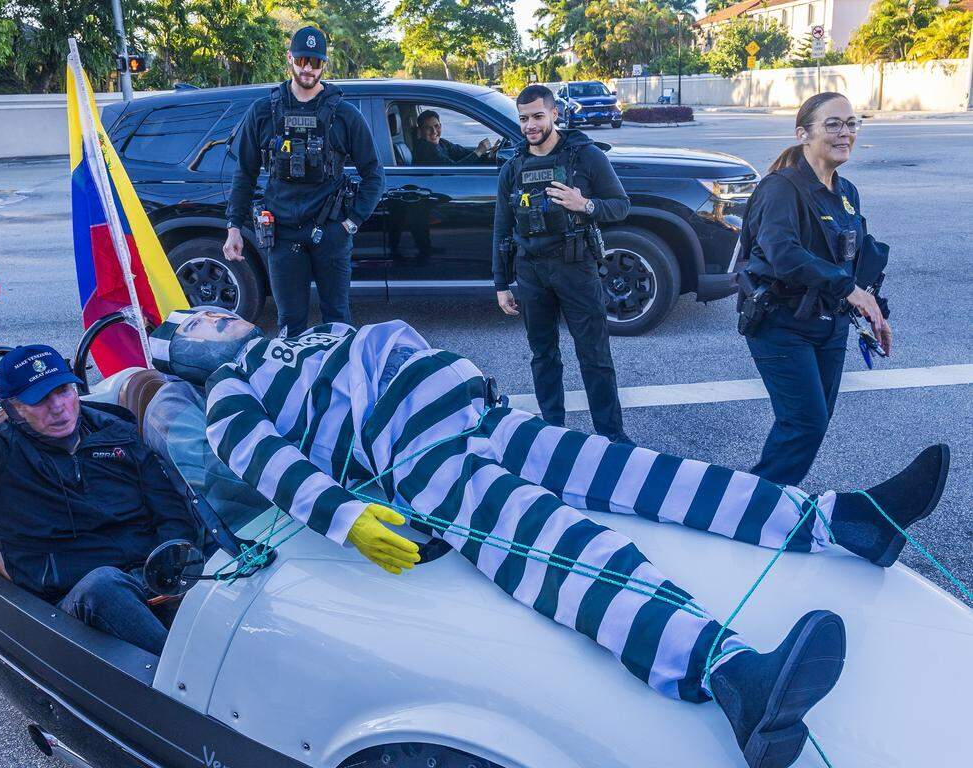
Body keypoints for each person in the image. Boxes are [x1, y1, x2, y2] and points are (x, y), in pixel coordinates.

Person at [146, 306, 949, 768]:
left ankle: (842, 522)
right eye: (199, 325)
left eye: (217, 309)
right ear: (187, 356)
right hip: (417, 460)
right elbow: (266, 460)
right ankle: (732, 675)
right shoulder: (233, 392)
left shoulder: (303, 331)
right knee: (563, 553)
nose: (219, 318)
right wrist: (343, 515)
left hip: (480, 413)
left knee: (650, 477)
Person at [0, 298, 198, 655]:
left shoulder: (118, 431)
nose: (59, 408)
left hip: (151, 573)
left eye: (64, 391)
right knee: (104, 585)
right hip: (74, 599)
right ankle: (181, 683)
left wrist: (177, 563)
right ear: (12, 408)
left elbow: (170, 509)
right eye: (40, 400)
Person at [738, 92, 893, 486]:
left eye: (851, 123)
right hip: (780, 323)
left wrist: (872, 307)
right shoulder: (780, 189)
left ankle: (769, 499)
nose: (845, 133)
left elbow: (850, 260)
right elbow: (783, 255)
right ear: (803, 133)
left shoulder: (847, 193)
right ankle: (755, 505)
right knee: (803, 424)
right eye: (833, 124)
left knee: (812, 424)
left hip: (830, 325)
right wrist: (848, 289)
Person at [223, 25, 385, 337]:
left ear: (325, 63)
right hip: (282, 235)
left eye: (315, 61)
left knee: (337, 323)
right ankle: (297, 384)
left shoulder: (345, 115)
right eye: (301, 60)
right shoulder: (263, 112)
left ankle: (336, 383)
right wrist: (233, 227)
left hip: (331, 234)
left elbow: (374, 175)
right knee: (290, 324)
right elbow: (244, 172)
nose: (307, 68)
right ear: (290, 59)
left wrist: (350, 224)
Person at [493, 84, 631, 441]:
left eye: (538, 116)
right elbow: (501, 229)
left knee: (595, 357)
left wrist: (583, 204)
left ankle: (611, 438)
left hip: (575, 266)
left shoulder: (585, 156)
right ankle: (553, 435)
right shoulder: (513, 167)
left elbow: (620, 205)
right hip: (531, 271)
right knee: (543, 356)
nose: (530, 126)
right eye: (524, 119)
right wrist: (500, 284)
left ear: (555, 114)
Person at [411, 109, 494, 166]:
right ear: (420, 131)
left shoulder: (441, 142)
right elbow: (454, 169)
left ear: (441, 125)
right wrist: (478, 152)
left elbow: (461, 152)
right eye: (428, 128)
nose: (434, 132)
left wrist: (488, 154)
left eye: (436, 126)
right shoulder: (426, 149)